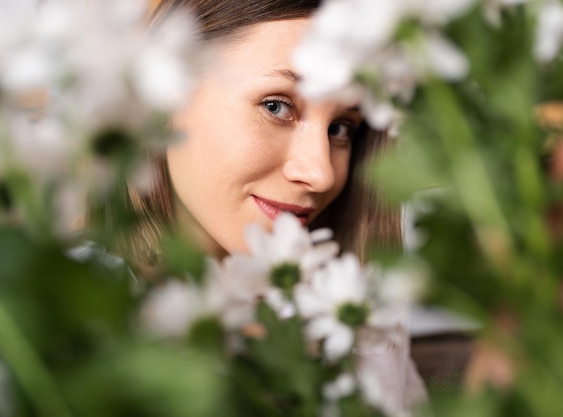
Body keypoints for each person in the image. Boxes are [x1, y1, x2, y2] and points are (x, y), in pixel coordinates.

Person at [114, 0, 428, 413]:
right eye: (276, 106)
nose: (322, 174)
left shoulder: (366, 330)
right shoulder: (58, 317)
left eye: (340, 128)